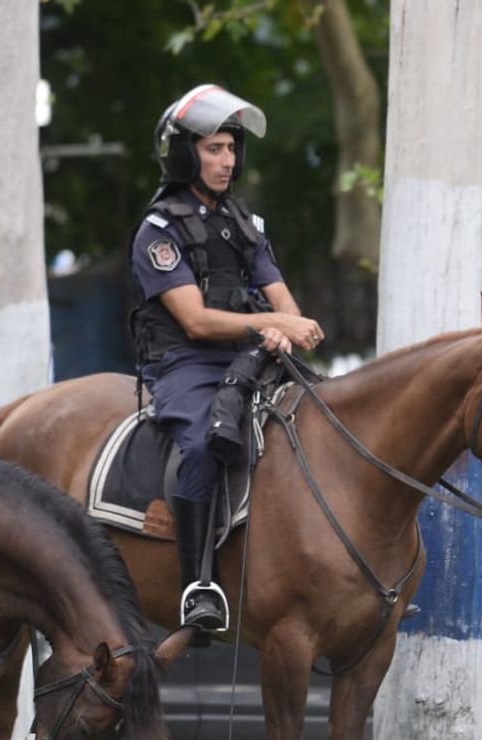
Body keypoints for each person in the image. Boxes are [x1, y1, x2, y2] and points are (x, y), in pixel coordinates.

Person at [128, 84, 323, 637]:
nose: (227, 161)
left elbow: (282, 299)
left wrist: (286, 326)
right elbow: (194, 320)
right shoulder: (157, 232)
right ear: (186, 154)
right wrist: (272, 324)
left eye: (232, 149)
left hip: (250, 359)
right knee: (199, 445)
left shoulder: (245, 224)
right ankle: (199, 586)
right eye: (214, 149)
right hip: (186, 365)